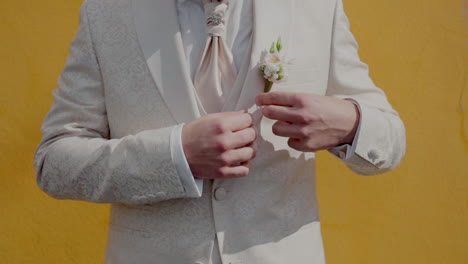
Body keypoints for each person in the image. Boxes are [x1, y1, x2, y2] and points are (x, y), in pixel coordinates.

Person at [33, 0, 406, 263]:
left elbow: (390, 140)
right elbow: (55, 161)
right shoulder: (106, 12)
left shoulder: (315, 7)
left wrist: (349, 123)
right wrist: (174, 155)